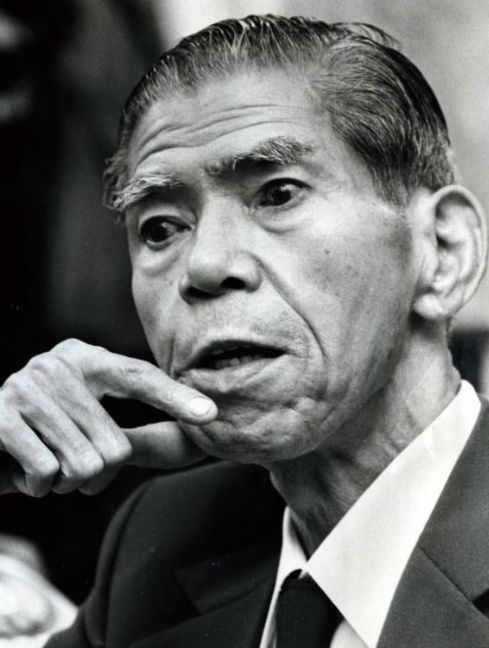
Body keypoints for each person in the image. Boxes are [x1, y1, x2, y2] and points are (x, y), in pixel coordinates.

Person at [0, 14, 488, 647]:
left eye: (278, 194)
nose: (204, 266)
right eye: (160, 228)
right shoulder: (162, 538)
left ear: (442, 251)